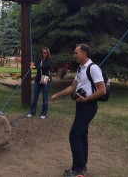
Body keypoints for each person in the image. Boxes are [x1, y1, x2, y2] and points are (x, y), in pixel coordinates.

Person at [51, 44, 106, 177]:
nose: (74, 55)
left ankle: (78, 170)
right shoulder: (80, 69)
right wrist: (57, 95)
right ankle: (82, 168)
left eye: (76, 53)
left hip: (88, 106)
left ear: (84, 54)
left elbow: (102, 90)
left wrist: (86, 99)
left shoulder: (93, 68)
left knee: (74, 136)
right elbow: (72, 87)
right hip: (81, 106)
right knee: (81, 136)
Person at [27, 47, 52, 119]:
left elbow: (43, 67)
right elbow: (35, 64)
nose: (43, 54)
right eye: (43, 52)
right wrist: (32, 64)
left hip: (46, 80)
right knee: (35, 97)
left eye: (45, 52)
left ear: (47, 53)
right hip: (38, 80)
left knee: (45, 97)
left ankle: (44, 113)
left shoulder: (49, 61)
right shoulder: (39, 59)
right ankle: (32, 112)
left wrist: (35, 67)